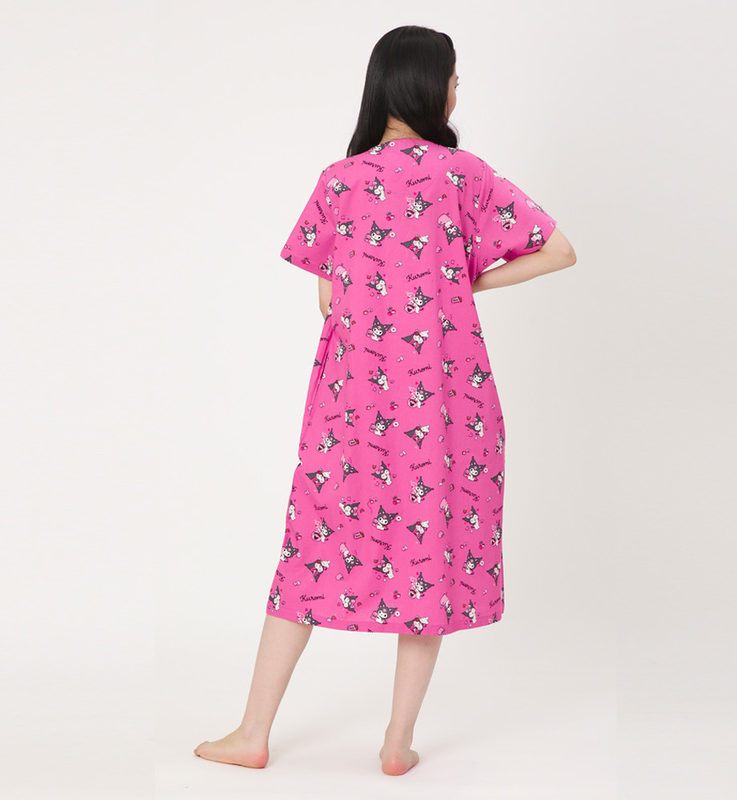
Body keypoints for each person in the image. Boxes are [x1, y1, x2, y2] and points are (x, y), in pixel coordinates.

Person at [194, 24, 577, 777]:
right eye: (454, 80)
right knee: (427, 555)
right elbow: (559, 249)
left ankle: (252, 733)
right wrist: (459, 282)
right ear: (429, 86)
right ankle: (397, 745)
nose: (457, 93)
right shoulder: (464, 175)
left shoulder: (340, 181)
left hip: (354, 407)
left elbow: (326, 299)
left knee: (309, 549)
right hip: (446, 403)